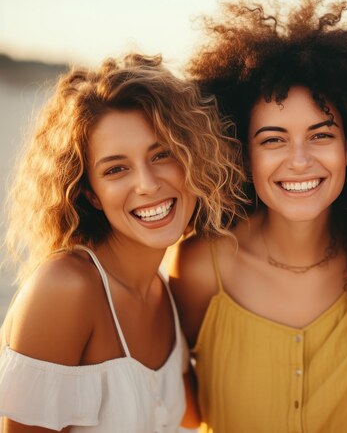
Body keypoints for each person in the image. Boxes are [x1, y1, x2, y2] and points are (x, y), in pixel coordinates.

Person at [169, 0, 347, 432]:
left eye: (320, 135)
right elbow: (177, 404)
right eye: (273, 140)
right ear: (244, 153)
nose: (299, 161)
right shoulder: (205, 265)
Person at [0, 54, 244, 432]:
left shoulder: (165, 290)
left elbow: (197, 418)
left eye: (162, 154)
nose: (146, 183)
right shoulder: (66, 288)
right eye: (116, 169)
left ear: (192, 159)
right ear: (92, 194)